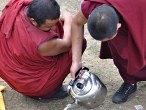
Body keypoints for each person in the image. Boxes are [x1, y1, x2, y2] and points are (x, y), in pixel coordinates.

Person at [0, 0, 86, 101]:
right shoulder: (39, 43)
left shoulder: (20, 6)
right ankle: (47, 93)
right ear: (33, 21)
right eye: (49, 26)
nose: (54, 27)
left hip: (9, 67)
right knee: (79, 42)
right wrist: (67, 18)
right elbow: (67, 44)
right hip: (32, 84)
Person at [70, 0, 146, 104]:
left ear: (118, 26)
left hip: (141, 15)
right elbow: (76, 23)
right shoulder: (91, 5)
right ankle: (130, 82)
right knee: (121, 52)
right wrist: (76, 62)